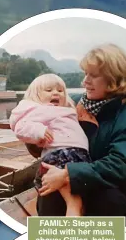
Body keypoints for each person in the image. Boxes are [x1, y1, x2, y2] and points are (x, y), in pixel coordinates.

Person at [37, 44, 126, 222]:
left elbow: (124, 168)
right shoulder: (71, 104)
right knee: (48, 190)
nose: (85, 82)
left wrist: (68, 173)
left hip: (114, 198)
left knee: (107, 197)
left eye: (94, 75)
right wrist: (36, 138)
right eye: (85, 74)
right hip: (74, 185)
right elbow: (47, 145)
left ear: (115, 80)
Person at [8, 74, 90, 216]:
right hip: (61, 156)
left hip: (77, 156)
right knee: (73, 201)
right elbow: (21, 127)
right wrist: (39, 131)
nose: (55, 93)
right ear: (36, 96)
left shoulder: (68, 108)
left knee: (80, 199)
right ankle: (74, 227)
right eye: (49, 90)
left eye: (60, 90)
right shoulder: (38, 109)